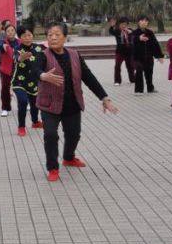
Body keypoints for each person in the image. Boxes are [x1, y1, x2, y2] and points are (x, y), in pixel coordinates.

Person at [37, 22, 118, 183]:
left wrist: (104, 98)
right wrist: (42, 75)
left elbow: (88, 77)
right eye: (50, 35)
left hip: (72, 104)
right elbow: (34, 69)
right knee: (50, 135)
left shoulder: (74, 55)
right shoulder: (42, 55)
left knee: (73, 134)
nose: (53, 38)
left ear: (65, 38)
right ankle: (53, 168)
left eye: (57, 35)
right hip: (50, 105)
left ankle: (68, 158)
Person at [10, 26, 44, 137]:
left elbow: (47, 58)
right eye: (24, 36)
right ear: (20, 37)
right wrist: (21, 58)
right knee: (23, 101)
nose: (27, 38)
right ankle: (21, 127)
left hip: (33, 82)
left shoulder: (39, 48)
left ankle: (35, 122)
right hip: (19, 82)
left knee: (35, 103)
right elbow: (16, 58)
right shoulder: (17, 49)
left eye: (29, 35)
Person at [130, 15, 165, 94]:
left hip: (148, 57)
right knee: (139, 70)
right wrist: (138, 38)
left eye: (146, 21)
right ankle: (138, 90)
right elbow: (132, 40)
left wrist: (159, 56)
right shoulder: (134, 33)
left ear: (148, 23)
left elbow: (155, 44)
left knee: (149, 72)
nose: (144, 22)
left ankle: (150, 88)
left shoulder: (150, 33)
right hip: (137, 57)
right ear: (138, 22)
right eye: (142, 20)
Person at [0, 24, 19, 117]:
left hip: (19, 69)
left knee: (21, 87)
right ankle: (5, 108)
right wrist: (3, 47)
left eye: (12, 30)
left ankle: (24, 103)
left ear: (15, 32)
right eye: (8, 31)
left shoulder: (20, 42)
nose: (10, 32)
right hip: (6, 70)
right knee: (5, 89)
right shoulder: (3, 42)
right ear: (5, 33)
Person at [108, 17, 136, 86]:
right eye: (122, 24)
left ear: (127, 25)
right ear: (119, 25)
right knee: (117, 66)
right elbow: (111, 32)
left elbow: (136, 35)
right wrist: (112, 26)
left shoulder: (130, 30)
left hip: (129, 52)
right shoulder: (117, 31)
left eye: (125, 24)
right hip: (120, 52)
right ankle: (117, 81)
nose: (123, 26)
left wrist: (131, 32)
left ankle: (132, 79)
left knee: (131, 66)